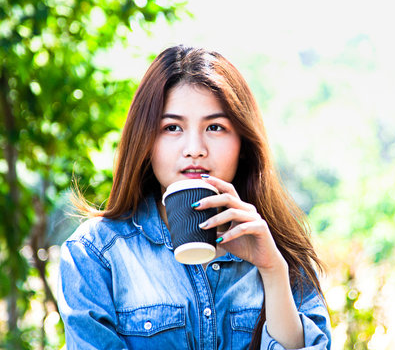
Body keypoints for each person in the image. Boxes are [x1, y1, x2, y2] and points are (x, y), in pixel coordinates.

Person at [58, 45, 331, 349]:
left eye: (215, 127)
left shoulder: (280, 248)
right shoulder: (95, 254)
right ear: (145, 140)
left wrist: (273, 271)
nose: (194, 148)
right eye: (172, 127)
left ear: (243, 143)